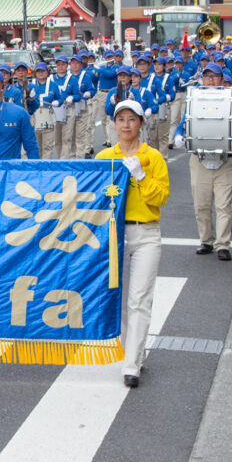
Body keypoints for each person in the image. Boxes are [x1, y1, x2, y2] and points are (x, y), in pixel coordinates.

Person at [95, 99, 169, 388]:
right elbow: (95, 197)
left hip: (146, 234)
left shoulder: (154, 158)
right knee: (123, 299)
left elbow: (160, 197)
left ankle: (132, 364)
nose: (126, 125)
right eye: (121, 119)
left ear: (141, 123)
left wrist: (139, 176)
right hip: (114, 235)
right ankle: (134, 350)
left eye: (132, 119)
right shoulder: (104, 158)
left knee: (139, 299)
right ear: (114, 124)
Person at [173, 64, 232, 260]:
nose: (211, 80)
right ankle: (206, 240)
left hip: (225, 159)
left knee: (224, 205)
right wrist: (179, 135)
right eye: (207, 77)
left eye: (215, 77)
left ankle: (223, 244)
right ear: (202, 79)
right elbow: (184, 123)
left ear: (222, 80)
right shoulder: (194, 99)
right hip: (200, 159)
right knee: (201, 204)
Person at [28, 62, 60, 158]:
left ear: (47, 72)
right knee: (36, 145)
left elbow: (60, 98)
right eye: (38, 71)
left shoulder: (53, 85)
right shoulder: (30, 85)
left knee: (47, 146)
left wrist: (57, 102)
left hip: (48, 116)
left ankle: (46, 167)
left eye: (43, 71)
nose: (41, 73)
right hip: (34, 116)